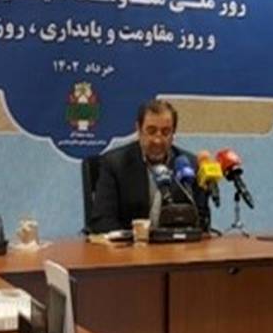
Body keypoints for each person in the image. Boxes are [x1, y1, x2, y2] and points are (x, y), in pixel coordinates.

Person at [88, 98, 209, 233]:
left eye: (165, 132)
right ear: (139, 130)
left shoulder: (188, 166)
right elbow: (102, 220)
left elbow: (201, 222)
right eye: (151, 131)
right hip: (130, 245)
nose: (157, 140)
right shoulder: (115, 164)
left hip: (175, 245)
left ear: (173, 133)